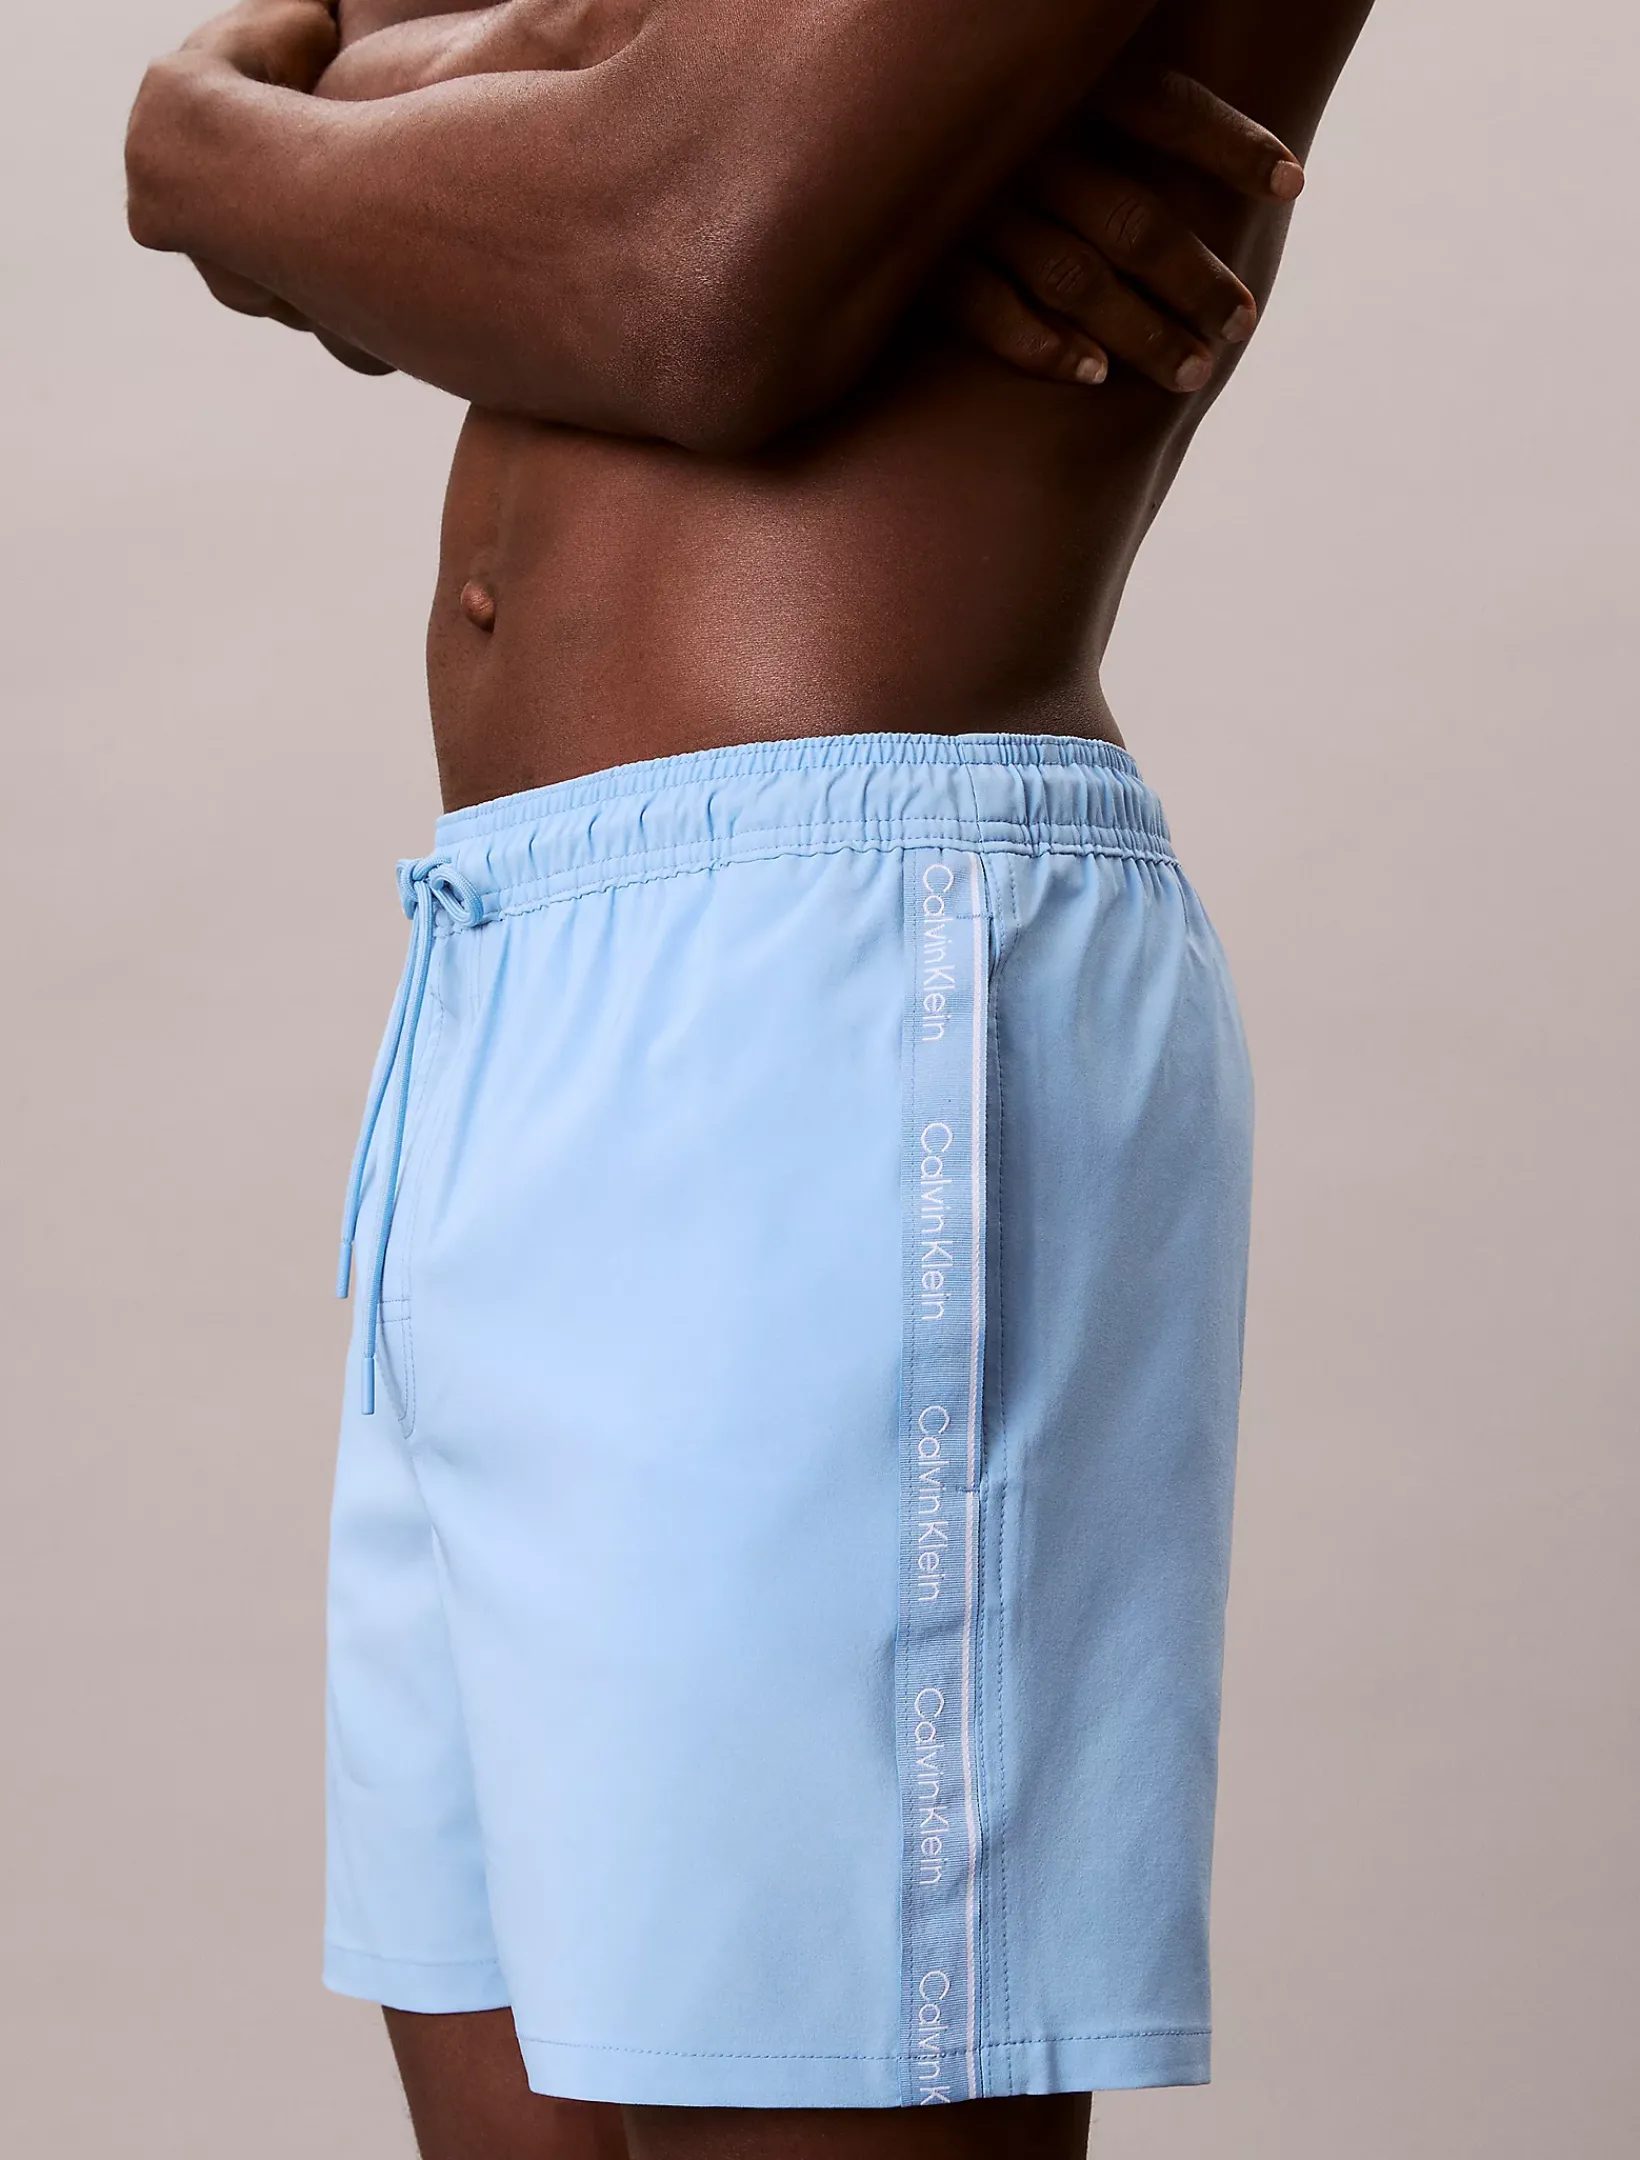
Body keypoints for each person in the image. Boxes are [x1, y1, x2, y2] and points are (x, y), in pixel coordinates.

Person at [124, 3, 1376, 2154]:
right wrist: (614, 69)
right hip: (508, 963)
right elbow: (330, 132)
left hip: (836, 976)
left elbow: (680, 274)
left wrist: (605, 144)